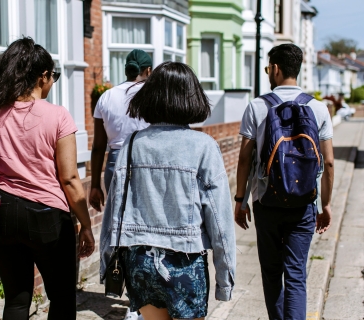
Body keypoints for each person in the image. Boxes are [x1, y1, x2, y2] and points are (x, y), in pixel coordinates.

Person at [100, 62, 236, 320]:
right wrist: (225, 278)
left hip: (139, 260)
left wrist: (107, 262)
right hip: (184, 261)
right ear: (193, 97)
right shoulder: (204, 147)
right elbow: (220, 222)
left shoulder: (131, 144)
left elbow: (114, 209)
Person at [0, 37, 95, 320]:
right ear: (42, 76)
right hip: (48, 217)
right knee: (62, 297)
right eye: (52, 75)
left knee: (16, 300)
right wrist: (85, 225)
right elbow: (69, 179)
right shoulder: (59, 116)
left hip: (3, 215)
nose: (52, 81)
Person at [235, 44, 334, 320]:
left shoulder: (257, 106)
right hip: (304, 203)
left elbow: (244, 160)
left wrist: (240, 200)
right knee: (296, 274)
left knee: (271, 273)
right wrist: (324, 204)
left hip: (266, 201)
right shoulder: (318, 108)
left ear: (275, 69)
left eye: (269, 68)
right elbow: (328, 162)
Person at [89, 49, 152, 212]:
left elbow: (98, 147)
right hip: (147, 159)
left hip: (115, 162)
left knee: (118, 219)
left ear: (126, 70)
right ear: (149, 70)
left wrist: (95, 185)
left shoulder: (106, 97)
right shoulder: (153, 96)